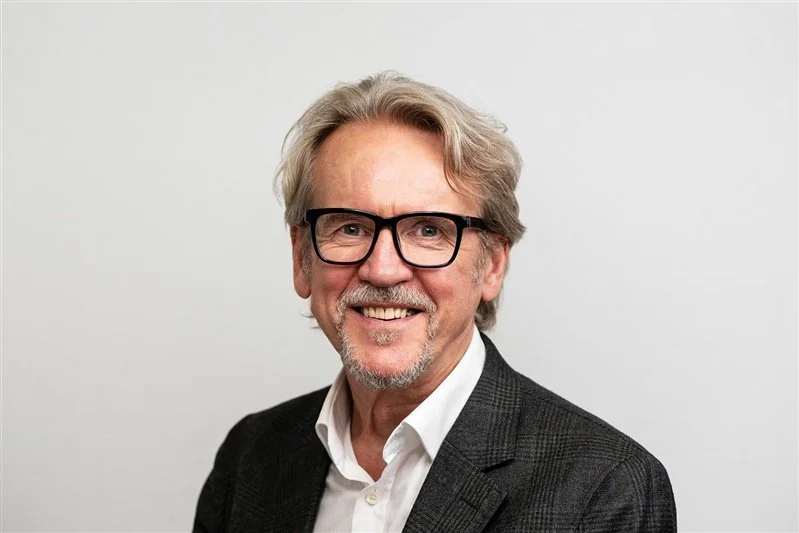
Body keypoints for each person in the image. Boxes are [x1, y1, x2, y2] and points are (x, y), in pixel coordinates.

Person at [193, 72, 677, 533]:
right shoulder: (250, 457)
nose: (383, 270)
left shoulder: (603, 490)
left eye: (428, 231)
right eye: (350, 227)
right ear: (302, 258)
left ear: (491, 265)